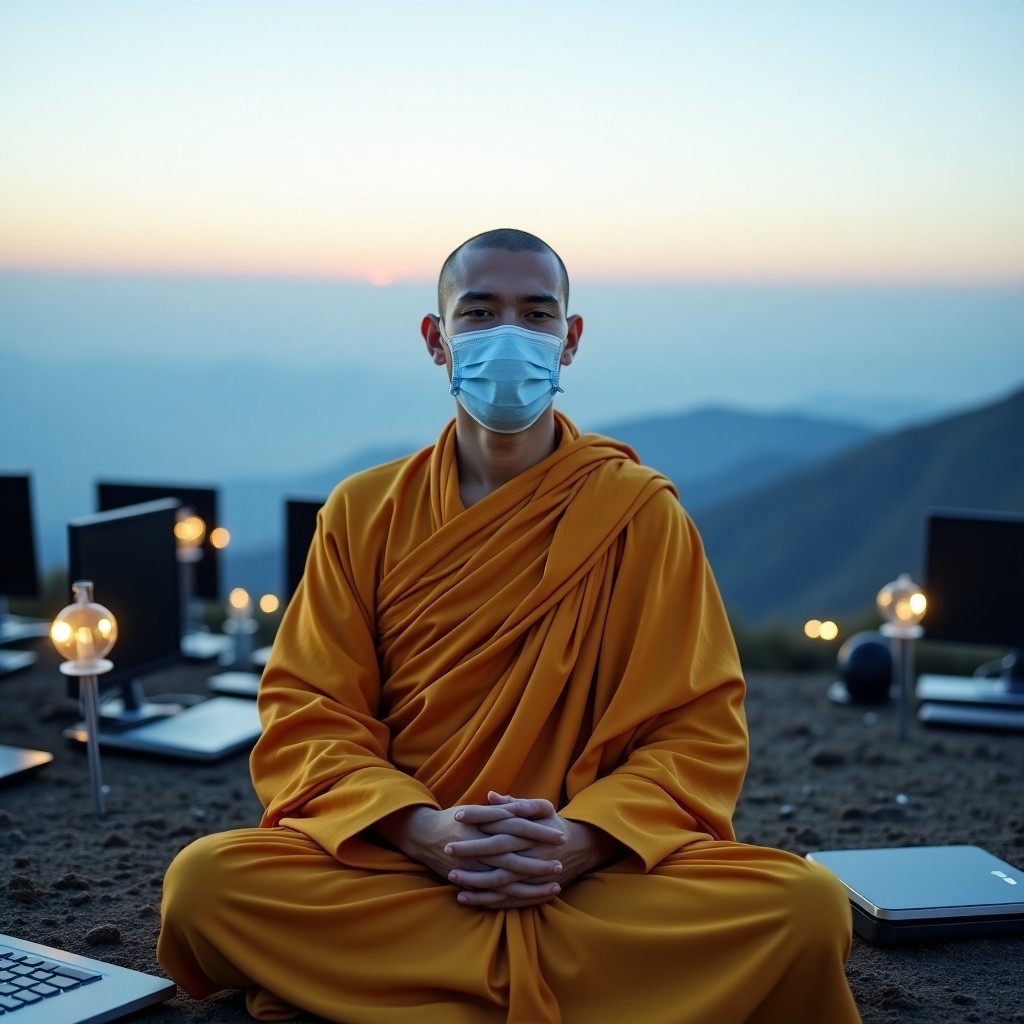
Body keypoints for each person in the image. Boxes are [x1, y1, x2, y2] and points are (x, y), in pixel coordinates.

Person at [158, 228, 862, 1024]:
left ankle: (415, 989)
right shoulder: (361, 513)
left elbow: (695, 730)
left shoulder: (640, 515)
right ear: (436, 338)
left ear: (571, 339)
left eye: (536, 315)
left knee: (807, 907)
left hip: (591, 875)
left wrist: (583, 839)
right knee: (207, 884)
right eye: (480, 312)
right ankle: (584, 991)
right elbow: (311, 717)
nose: (510, 337)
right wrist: (423, 830)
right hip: (406, 861)